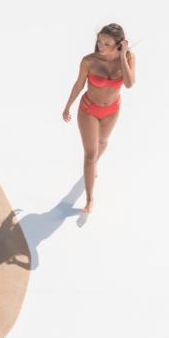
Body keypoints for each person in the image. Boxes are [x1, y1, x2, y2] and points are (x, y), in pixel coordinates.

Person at [61, 23, 137, 215]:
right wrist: (68, 106)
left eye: (107, 43)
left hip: (112, 110)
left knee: (103, 141)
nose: (101, 46)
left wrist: (123, 56)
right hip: (89, 110)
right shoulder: (89, 61)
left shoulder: (128, 58)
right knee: (90, 155)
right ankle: (89, 199)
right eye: (99, 41)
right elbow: (79, 84)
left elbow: (129, 84)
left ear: (119, 44)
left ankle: (94, 164)